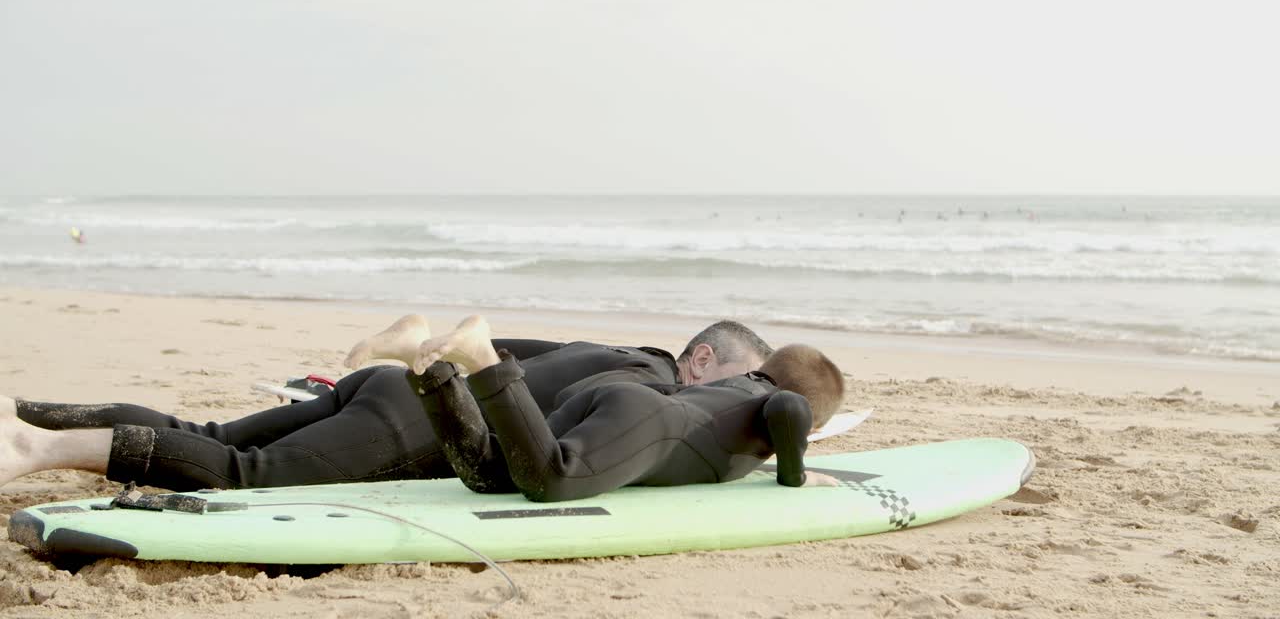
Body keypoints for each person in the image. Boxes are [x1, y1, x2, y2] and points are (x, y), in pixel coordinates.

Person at [0, 315, 775, 491]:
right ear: (700, 357)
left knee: (206, 430)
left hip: (388, 381)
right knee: (242, 471)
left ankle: (25, 413)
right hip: (411, 421)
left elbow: (492, 348)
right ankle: (36, 452)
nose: (732, 392)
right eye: (736, 377)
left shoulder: (602, 345)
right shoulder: (648, 384)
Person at [408, 315, 846, 502]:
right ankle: (484, 360)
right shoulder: (769, 401)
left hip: (618, 406)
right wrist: (797, 474)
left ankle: (426, 369)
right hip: (642, 422)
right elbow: (790, 408)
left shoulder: (734, 392)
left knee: (490, 471)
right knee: (549, 481)